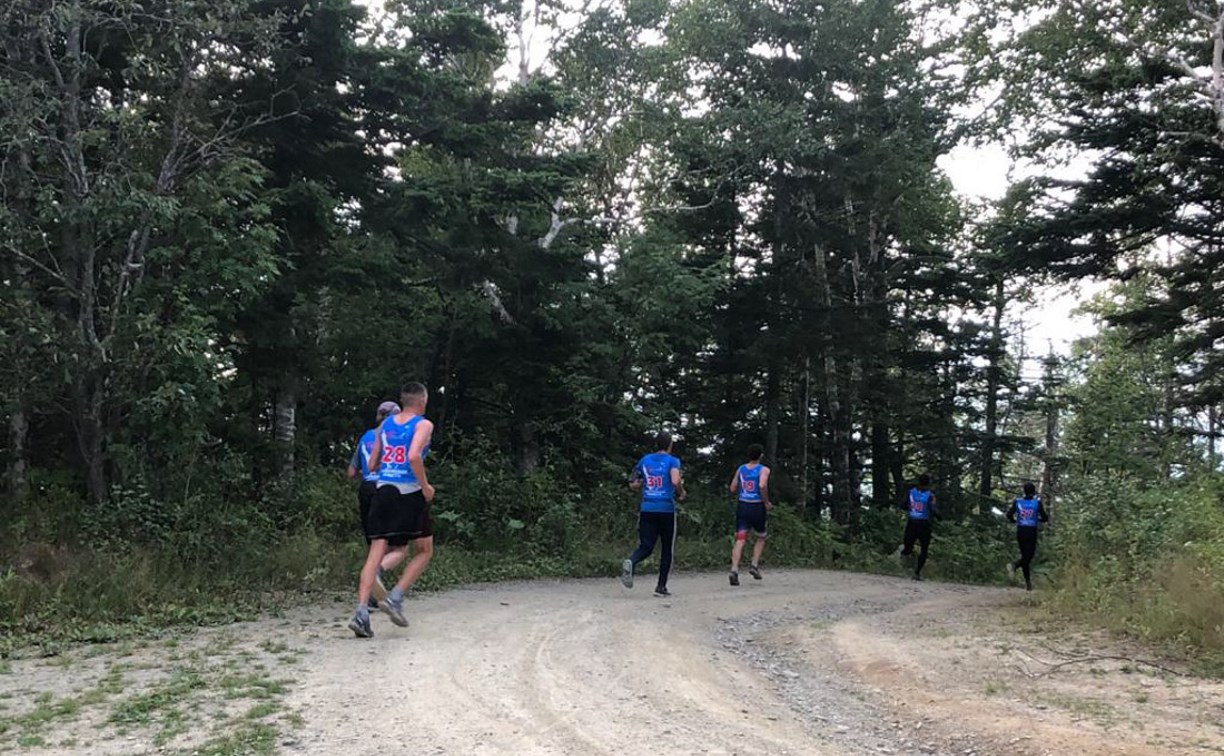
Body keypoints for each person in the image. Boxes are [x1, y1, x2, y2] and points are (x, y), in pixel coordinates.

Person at [348, 383, 436, 638]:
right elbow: (413, 457)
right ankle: (395, 597)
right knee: (424, 549)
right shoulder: (423, 424)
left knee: (376, 550)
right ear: (422, 400)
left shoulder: (385, 426)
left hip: (382, 490)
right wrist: (425, 486)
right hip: (408, 492)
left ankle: (362, 614)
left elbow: (373, 462)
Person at [346, 400, 407, 609]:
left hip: (365, 491)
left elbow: (351, 473)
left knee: (374, 545)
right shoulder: (395, 437)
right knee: (399, 547)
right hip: (388, 489)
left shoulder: (365, 437)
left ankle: (370, 598)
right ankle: (378, 572)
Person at [621, 431, 685, 597]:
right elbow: (675, 480)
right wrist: (681, 492)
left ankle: (632, 561)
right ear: (670, 444)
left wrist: (642, 484)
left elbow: (633, 484)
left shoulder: (644, 460)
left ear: (656, 444)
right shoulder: (673, 461)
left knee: (646, 546)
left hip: (647, 508)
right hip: (666, 509)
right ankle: (661, 587)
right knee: (666, 549)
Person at [728, 443, 771, 586]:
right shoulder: (764, 470)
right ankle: (754, 565)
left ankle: (734, 570)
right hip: (757, 506)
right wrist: (766, 502)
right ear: (761, 455)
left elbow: (733, 488)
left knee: (740, 539)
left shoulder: (741, 469)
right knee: (761, 536)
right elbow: (762, 485)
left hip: (743, 505)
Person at [1006, 482, 1049, 591]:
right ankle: (1014, 565)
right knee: (1028, 557)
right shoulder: (1037, 503)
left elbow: (1009, 514)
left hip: (1021, 531)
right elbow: (1045, 518)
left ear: (1024, 491)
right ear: (1034, 491)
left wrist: (1014, 520)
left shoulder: (1017, 502)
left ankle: (1028, 584)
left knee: (1025, 556)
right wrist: (1037, 519)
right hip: (1031, 531)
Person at [895, 473, 937, 581]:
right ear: (928, 483)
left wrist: (911, 508)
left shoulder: (911, 492)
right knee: (924, 549)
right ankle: (917, 572)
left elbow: (903, 505)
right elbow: (933, 510)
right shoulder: (930, 495)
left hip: (912, 523)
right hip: (924, 524)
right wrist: (938, 517)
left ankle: (901, 565)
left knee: (907, 547)